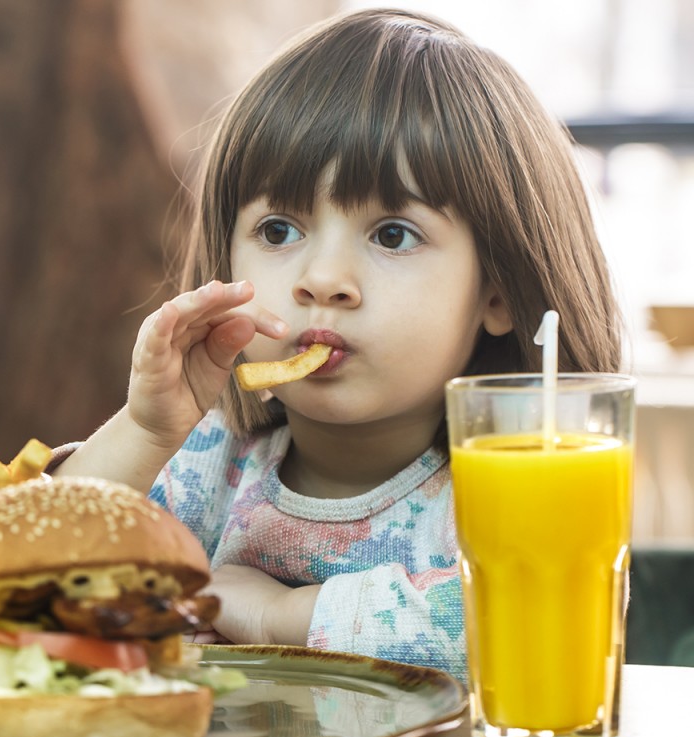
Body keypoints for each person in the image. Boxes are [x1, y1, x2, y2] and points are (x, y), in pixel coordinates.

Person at [54, 8, 622, 682]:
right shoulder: (205, 467)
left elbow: (540, 623)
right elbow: (28, 580)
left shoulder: (508, 482)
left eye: (392, 235)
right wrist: (145, 430)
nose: (322, 279)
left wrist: (282, 616)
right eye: (278, 230)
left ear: (496, 295)